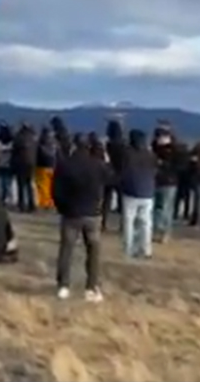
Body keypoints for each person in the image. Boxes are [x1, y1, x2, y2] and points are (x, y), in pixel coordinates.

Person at [52, 135, 111, 302]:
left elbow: (55, 191)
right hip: (93, 213)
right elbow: (113, 179)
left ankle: (63, 286)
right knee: (93, 251)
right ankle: (91, 287)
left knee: (66, 249)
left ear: (73, 146)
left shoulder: (65, 165)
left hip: (71, 213)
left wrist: (62, 208)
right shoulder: (97, 165)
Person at [119, 129, 156, 258]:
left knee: (129, 222)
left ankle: (129, 249)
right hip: (148, 191)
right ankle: (146, 250)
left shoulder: (127, 153)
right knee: (146, 223)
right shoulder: (150, 154)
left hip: (131, 191)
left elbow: (122, 171)